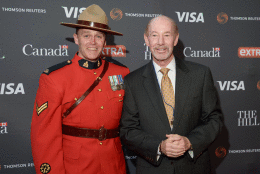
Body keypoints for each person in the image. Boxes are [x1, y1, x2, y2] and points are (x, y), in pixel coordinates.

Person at [31, 4, 129, 174]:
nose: (93, 42)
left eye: (98, 36)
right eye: (86, 35)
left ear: (105, 41)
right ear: (76, 39)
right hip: (75, 167)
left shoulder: (121, 73)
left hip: (114, 165)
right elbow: (44, 137)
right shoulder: (54, 78)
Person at [120, 15, 223, 174]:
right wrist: (159, 147)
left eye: (166, 35)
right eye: (154, 35)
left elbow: (214, 119)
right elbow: (128, 130)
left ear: (175, 39)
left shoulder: (200, 74)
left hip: (194, 168)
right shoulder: (132, 81)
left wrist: (189, 142)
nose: (160, 42)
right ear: (146, 39)